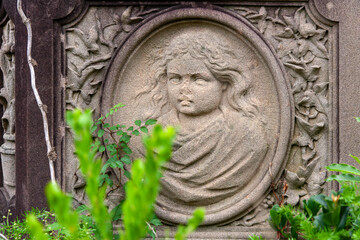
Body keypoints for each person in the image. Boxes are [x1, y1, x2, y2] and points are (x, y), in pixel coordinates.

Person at [136, 30, 269, 213]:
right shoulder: (147, 139)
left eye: (198, 79)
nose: (184, 89)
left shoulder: (248, 138)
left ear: (224, 82)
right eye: (175, 78)